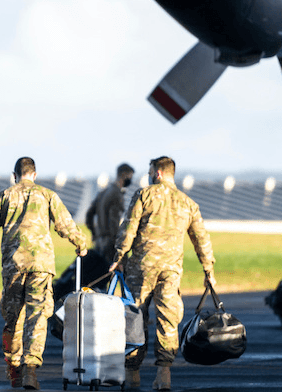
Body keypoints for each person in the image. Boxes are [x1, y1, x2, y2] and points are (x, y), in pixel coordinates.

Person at [0, 157, 87, 390]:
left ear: (15, 175)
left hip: (14, 268)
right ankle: (30, 370)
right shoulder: (48, 195)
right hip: (41, 267)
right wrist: (81, 244)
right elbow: (66, 225)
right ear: (35, 174)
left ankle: (15, 371)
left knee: (13, 320)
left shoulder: (4, 196)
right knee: (37, 317)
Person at [108, 156, 216, 391]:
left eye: (149, 172)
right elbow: (201, 239)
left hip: (141, 269)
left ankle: (132, 373)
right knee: (167, 320)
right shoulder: (188, 203)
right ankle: (163, 374)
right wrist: (208, 269)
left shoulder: (144, 195)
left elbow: (128, 228)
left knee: (135, 317)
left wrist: (118, 258)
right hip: (170, 271)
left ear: (157, 173)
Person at [85, 163, 135, 257]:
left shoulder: (103, 192)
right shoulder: (117, 195)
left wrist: (95, 234)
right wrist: (118, 244)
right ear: (124, 175)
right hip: (110, 243)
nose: (130, 180)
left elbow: (89, 215)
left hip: (99, 241)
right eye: (130, 176)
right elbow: (114, 222)